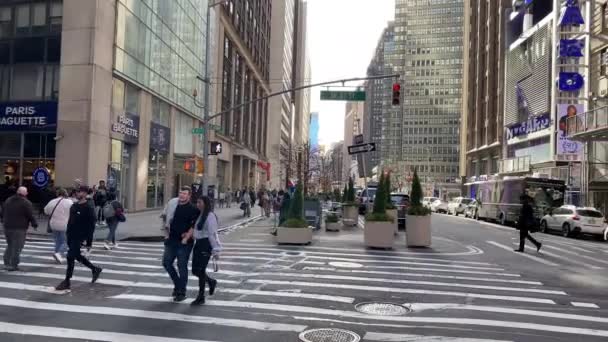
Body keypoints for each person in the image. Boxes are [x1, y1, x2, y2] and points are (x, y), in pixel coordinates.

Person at [55, 186, 103, 291]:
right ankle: (95, 269)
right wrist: (67, 235)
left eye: (80, 192)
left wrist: (89, 242)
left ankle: (67, 281)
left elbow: (92, 225)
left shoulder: (89, 207)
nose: (78, 193)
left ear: (85, 194)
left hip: (80, 236)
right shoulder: (74, 206)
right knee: (76, 255)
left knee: (70, 256)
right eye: (77, 191)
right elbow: (70, 222)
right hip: (71, 235)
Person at [162, 186, 199, 302]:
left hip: (185, 243)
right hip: (171, 240)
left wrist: (187, 237)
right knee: (166, 263)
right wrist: (166, 233)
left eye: (184, 193)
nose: (182, 195)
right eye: (180, 192)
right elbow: (166, 218)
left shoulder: (193, 209)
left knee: (182, 266)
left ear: (189, 196)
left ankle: (181, 292)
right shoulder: (173, 205)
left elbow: (194, 226)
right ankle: (178, 284)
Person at [190, 196, 221, 305]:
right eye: (197, 202)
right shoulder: (200, 214)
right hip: (198, 244)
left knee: (201, 270)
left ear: (205, 203)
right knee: (195, 270)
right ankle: (211, 282)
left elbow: (213, 234)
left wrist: (216, 250)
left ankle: (201, 296)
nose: (197, 204)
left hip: (206, 244)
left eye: (200, 202)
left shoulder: (210, 216)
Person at [1, 187, 38, 271]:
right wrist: (34, 224)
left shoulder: (8, 200)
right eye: (27, 192)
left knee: (10, 245)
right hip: (19, 228)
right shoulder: (26, 202)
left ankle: (6, 262)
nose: (27, 193)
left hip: (7, 227)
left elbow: (3, 212)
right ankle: (13, 265)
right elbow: (30, 215)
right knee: (17, 247)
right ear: (24, 193)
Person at [44, 188, 73, 264]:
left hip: (53, 224)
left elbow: (46, 211)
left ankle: (58, 255)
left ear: (57, 194)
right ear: (65, 193)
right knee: (66, 241)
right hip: (65, 224)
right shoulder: (69, 202)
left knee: (57, 241)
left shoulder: (52, 201)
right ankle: (59, 253)